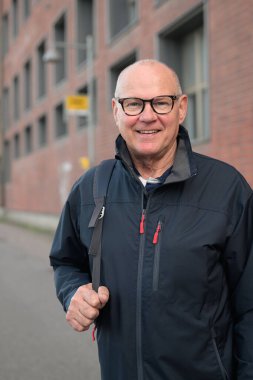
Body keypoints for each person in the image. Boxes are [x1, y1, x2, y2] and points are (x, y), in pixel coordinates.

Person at [49, 59, 253, 380]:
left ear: (181, 108)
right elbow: (65, 261)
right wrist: (72, 292)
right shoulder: (90, 188)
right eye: (133, 104)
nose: (147, 116)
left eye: (161, 101)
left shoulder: (227, 189)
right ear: (116, 110)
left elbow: (250, 305)